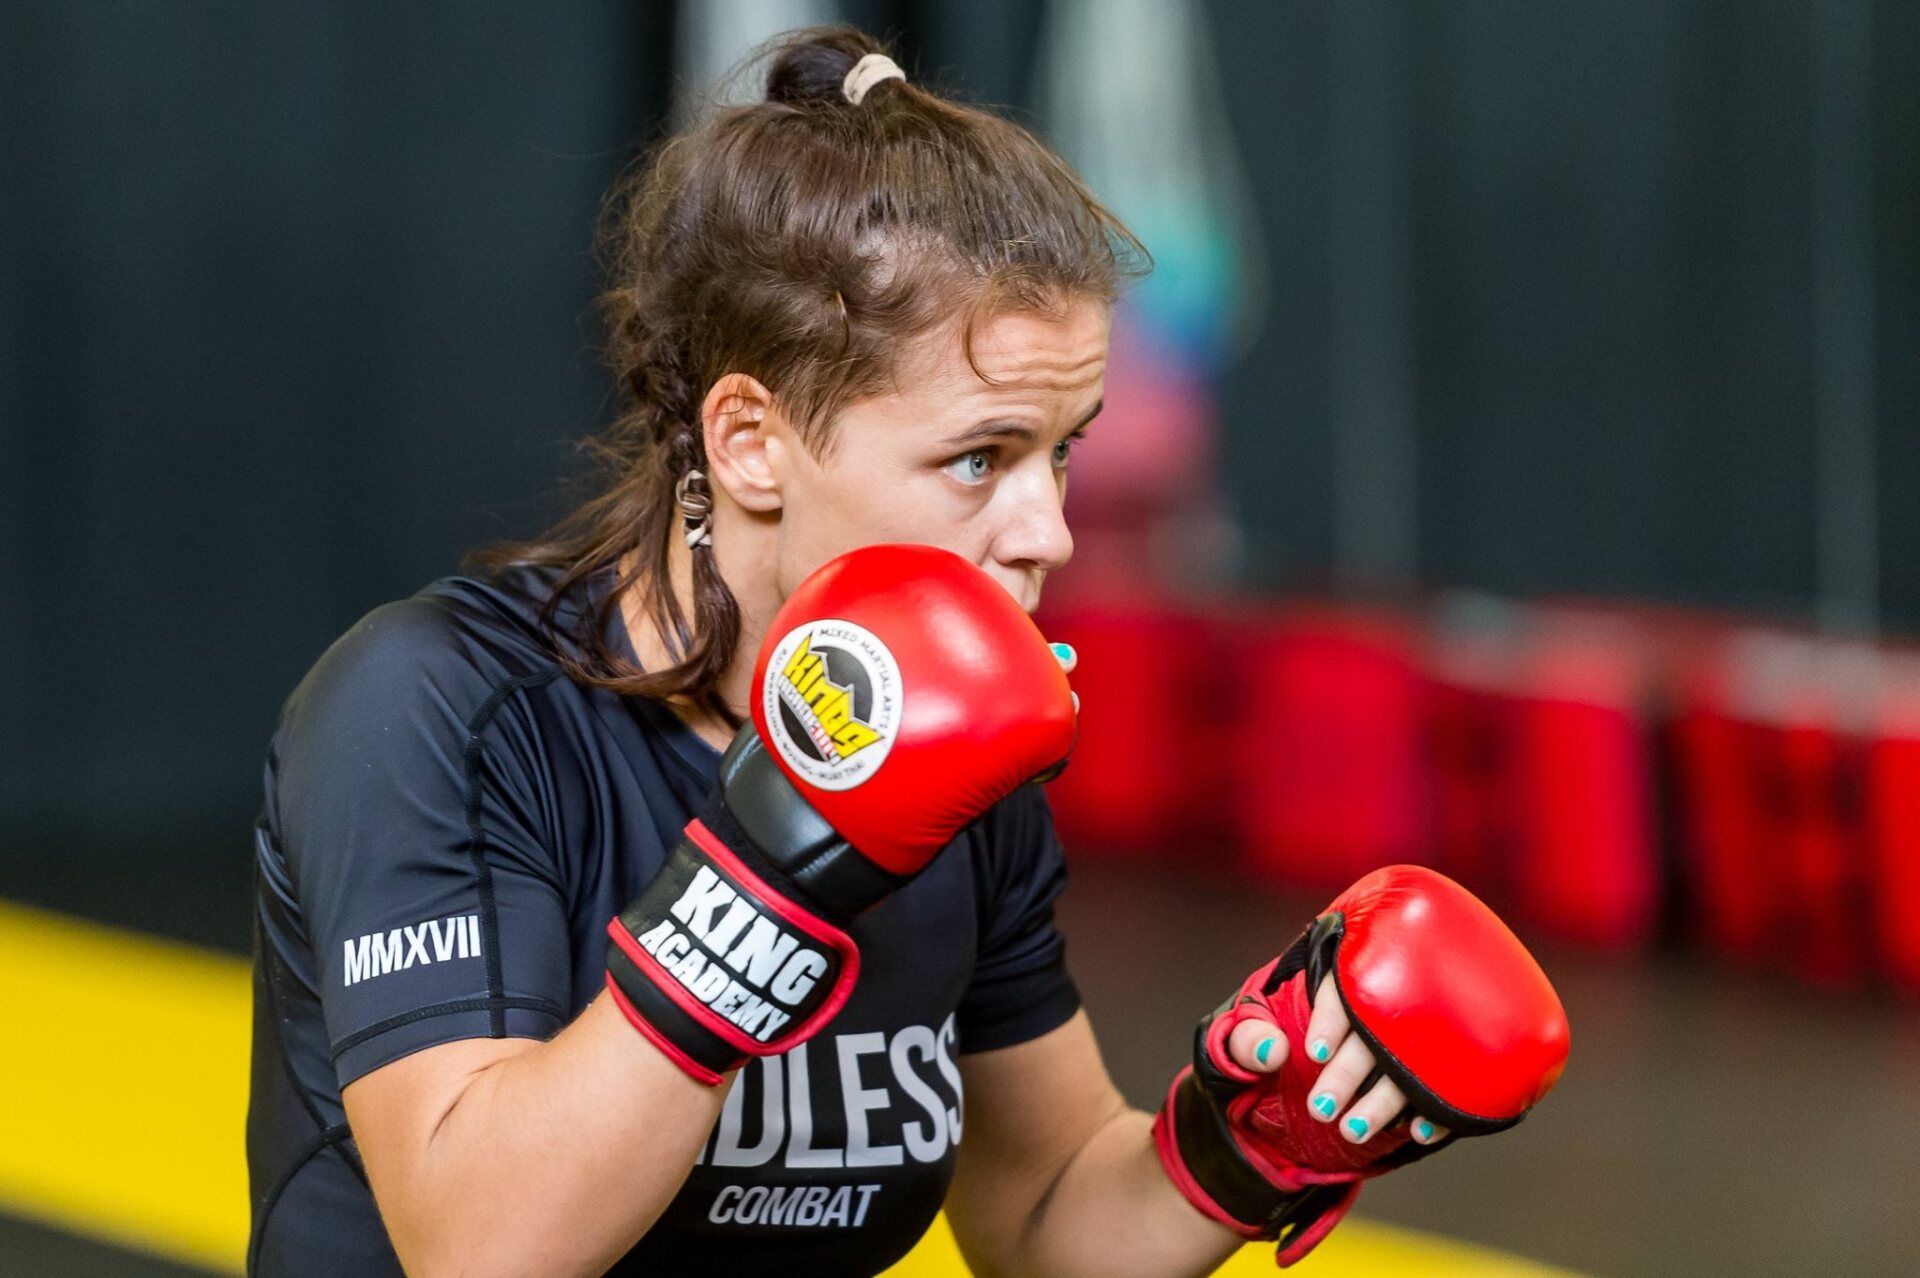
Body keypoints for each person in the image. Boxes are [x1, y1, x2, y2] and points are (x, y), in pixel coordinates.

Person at [245, 26, 1566, 1278]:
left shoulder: (956, 753)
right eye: (977, 457)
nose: (1045, 528)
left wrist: (1251, 1134)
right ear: (750, 440)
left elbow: (1042, 1208)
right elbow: (484, 1246)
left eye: (1063, 449)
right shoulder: (440, 712)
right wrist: (774, 867)